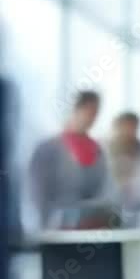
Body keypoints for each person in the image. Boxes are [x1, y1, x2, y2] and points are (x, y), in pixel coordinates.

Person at [28, 90, 115, 229]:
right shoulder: (47, 149)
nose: (92, 118)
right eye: (89, 111)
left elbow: (104, 190)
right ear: (76, 109)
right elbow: (37, 194)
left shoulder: (97, 151)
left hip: (89, 227)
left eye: (95, 113)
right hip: (54, 228)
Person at [107, 111, 140, 225]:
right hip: (115, 198)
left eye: (135, 127)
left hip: (137, 199)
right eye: (130, 126)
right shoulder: (112, 146)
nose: (133, 130)